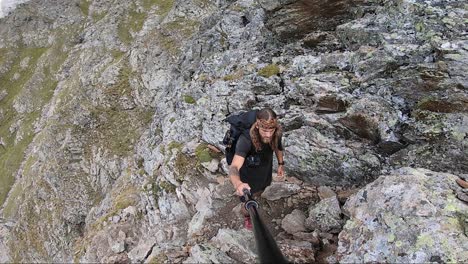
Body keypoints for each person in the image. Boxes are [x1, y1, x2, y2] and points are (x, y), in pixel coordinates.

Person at [228, 107, 285, 229]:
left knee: (261, 188)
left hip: (264, 168)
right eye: (265, 130)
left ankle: (257, 196)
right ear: (258, 125)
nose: (268, 135)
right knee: (247, 198)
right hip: (247, 173)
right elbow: (234, 166)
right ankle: (247, 215)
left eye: (271, 130)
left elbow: (278, 147)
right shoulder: (246, 140)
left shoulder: (276, 133)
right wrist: (238, 184)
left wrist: (281, 164)